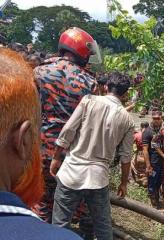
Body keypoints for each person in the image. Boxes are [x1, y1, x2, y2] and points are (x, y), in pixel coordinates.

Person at [0, 48, 81, 239]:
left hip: (44, 148)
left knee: (43, 202)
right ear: (24, 140)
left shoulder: (41, 71)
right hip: (65, 153)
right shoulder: (88, 80)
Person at [50, 72, 135, 239]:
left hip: (71, 172)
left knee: (60, 225)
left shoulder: (89, 101)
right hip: (98, 178)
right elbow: (126, 157)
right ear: (125, 94)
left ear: (105, 87)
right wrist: (124, 183)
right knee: (103, 227)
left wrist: (56, 157)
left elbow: (68, 131)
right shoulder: (127, 119)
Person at [33, 27, 99, 230]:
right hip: (70, 154)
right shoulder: (90, 82)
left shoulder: (39, 72)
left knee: (40, 199)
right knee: (64, 204)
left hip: (39, 150)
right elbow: (89, 125)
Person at [143, 111, 164, 208]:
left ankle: (157, 199)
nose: (156, 120)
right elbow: (145, 150)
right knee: (152, 181)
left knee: (159, 181)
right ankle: (154, 205)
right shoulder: (148, 131)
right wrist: (148, 165)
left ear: (161, 118)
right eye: (154, 118)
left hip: (163, 161)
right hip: (153, 162)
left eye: (158, 118)